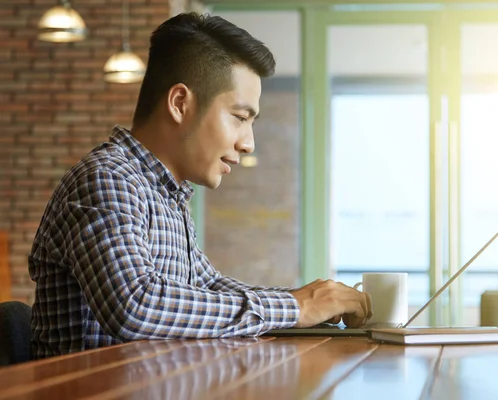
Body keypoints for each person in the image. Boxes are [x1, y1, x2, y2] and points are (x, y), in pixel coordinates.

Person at [28, 12, 372, 359]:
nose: (248, 143)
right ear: (180, 104)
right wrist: (295, 307)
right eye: (240, 118)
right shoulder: (107, 179)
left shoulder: (167, 193)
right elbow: (136, 305)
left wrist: (309, 307)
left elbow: (208, 286)